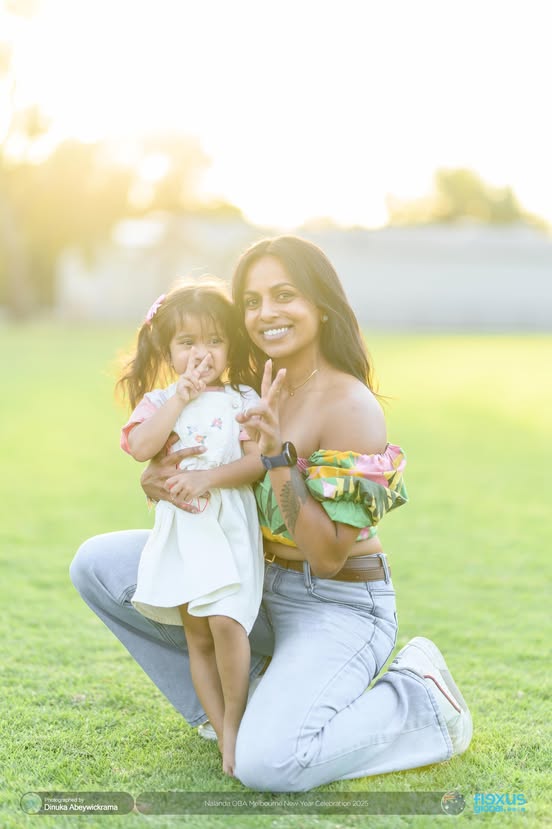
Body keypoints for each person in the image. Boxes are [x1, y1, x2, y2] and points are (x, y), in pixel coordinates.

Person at [71, 236, 472, 792]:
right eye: (253, 301)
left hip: (336, 603)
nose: (266, 313)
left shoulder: (349, 405)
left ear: (320, 303)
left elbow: (328, 556)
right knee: (97, 564)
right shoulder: (244, 381)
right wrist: (157, 478)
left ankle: (419, 701)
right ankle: (233, 718)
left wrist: (280, 460)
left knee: (268, 766)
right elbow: (194, 460)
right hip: (254, 578)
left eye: (284, 295)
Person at [116, 278, 264, 775]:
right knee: (198, 634)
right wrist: (179, 396)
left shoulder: (242, 397)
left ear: (230, 347)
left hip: (229, 524)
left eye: (215, 341)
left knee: (226, 621)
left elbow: (256, 464)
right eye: (188, 342)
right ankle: (225, 739)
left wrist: (206, 478)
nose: (202, 354)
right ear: (168, 349)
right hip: (184, 531)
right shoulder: (160, 402)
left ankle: (240, 722)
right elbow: (140, 448)